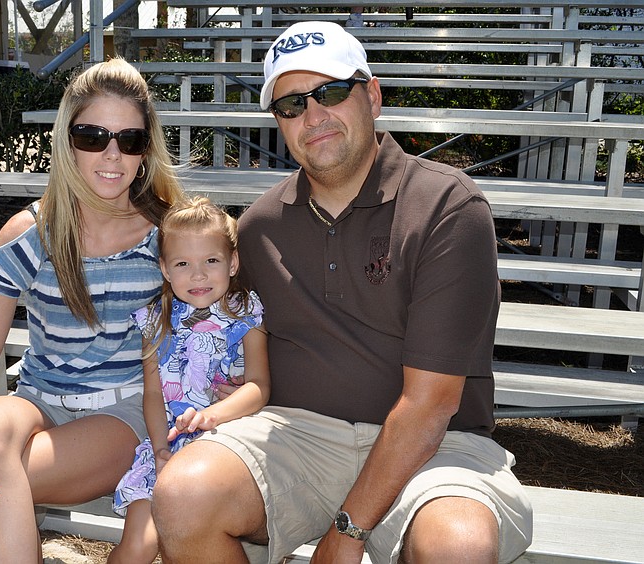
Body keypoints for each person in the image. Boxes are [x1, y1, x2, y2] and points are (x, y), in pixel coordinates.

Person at [152, 21, 533, 564]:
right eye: (290, 105)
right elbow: (217, 317)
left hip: (435, 448)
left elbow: (431, 406)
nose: (313, 116)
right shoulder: (259, 227)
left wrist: (345, 534)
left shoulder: (448, 208)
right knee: (185, 495)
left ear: (372, 95)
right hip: (297, 437)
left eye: (330, 92)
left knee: (459, 545)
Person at [0, 57, 184, 563]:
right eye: (93, 136)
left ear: (145, 150)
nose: (112, 155)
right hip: (40, 403)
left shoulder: (169, 236)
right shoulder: (28, 234)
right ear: (67, 140)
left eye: (130, 140)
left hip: (125, 411)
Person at [108, 197, 271, 564]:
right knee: (138, 545)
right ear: (165, 269)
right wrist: (159, 449)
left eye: (211, 261)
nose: (198, 275)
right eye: (183, 264)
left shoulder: (244, 313)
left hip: (224, 440)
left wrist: (213, 416)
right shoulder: (155, 319)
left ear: (232, 263)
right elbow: (152, 395)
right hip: (166, 447)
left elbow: (259, 387)